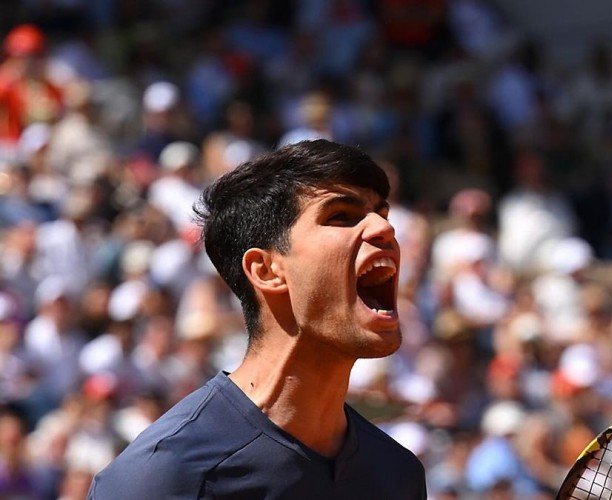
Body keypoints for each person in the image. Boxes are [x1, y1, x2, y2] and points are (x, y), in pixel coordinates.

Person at [88, 140, 427, 499]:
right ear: (266, 270)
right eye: (341, 216)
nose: (384, 229)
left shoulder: (397, 474)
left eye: (382, 214)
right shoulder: (163, 478)